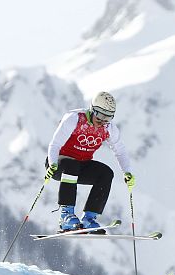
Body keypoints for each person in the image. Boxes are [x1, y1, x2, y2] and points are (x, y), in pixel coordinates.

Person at [44, 91, 135, 232]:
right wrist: (52, 163)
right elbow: (54, 144)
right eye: (99, 117)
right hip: (59, 164)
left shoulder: (109, 129)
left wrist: (127, 172)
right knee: (71, 164)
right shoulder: (74, 119)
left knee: (106, 173)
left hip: (81, 165)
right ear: (92, 110)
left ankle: (88, 218)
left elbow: (120, 151)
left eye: (108, 118)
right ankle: (66, 216)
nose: (102, 122)